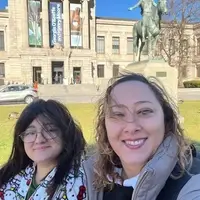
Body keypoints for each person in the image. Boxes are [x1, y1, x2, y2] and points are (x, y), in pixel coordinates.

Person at [83, 73, 200, 200]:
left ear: (166, 121)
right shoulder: (88, 179)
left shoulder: (191, 186)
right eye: (118, 114)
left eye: (144, 111)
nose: (131, 127)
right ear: (104, 125)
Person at [0, 99, 87, 200]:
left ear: (65, 134)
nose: (39, 140)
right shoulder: (10, 176)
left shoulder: (82, 182)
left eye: (49, 130)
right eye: (31, 133)